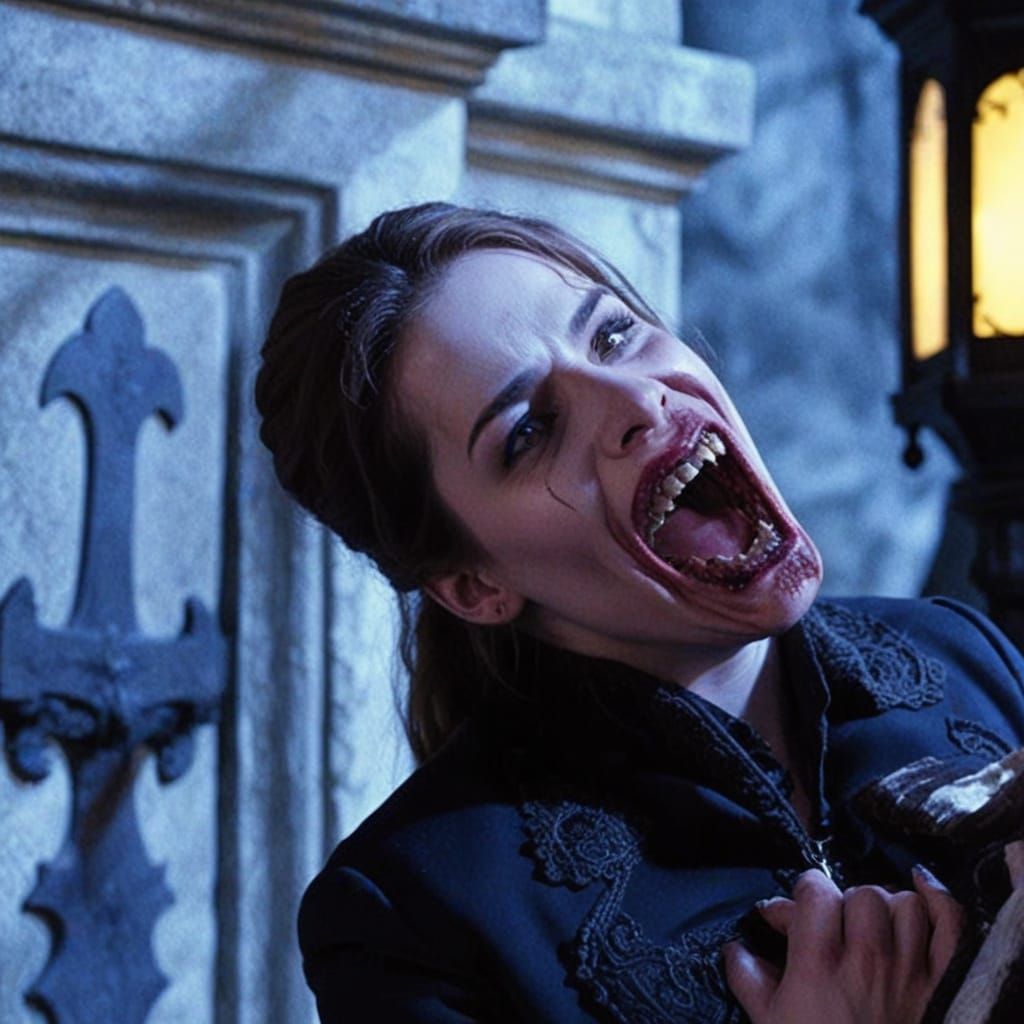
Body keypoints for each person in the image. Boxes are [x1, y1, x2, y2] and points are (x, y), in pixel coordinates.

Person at [255, 202, 1024, 1023]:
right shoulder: (409, 918)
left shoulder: (964, 653)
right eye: (530, 431)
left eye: (613, 336)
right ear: (473, 585)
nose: (637, 401)